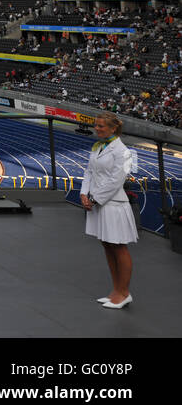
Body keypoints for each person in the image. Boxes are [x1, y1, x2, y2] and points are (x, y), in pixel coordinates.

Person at [81, 113, 138, 308]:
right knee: (107, 245)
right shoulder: (98, 147)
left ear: (114, 129)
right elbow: (89, 171)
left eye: (101, 126)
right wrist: (83, 194)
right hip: (99, 204)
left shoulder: (122, 152)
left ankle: (124, 293)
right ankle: (115, 290)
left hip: (113, 205)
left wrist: (94, 199)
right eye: (96, 125)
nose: (97, 129)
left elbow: (116, 181)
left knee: (119, 247)